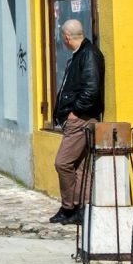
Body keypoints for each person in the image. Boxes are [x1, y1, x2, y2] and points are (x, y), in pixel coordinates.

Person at [50, 19, 104, 225]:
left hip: (81, 119)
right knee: (80, 166)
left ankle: (69, 207)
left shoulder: (88, 54)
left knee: (62, 163)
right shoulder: (82, 54)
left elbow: (91, 90)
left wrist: (75, 112)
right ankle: (83, 208)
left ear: (66, 37)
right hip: (80, 118)